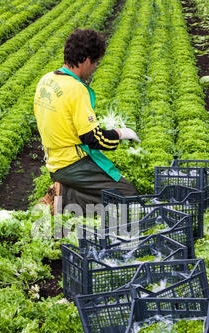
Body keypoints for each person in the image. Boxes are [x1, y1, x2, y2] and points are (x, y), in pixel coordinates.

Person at [33, 28, 140, 215]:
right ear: (85, 60)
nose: (94, 68)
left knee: (107, 191)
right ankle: (65, 197)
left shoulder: (46, 80)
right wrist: (121, 133)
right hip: (72, 164)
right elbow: (94, 139)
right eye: (95, 63)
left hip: (53, 161)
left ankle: (66, 191)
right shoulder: (75, 89)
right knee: (129, 197)